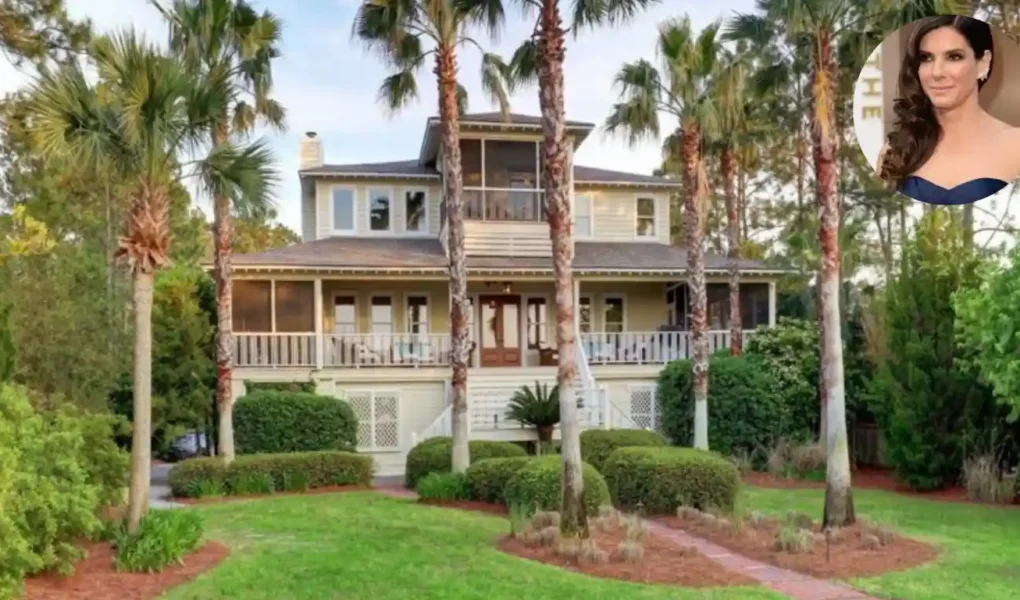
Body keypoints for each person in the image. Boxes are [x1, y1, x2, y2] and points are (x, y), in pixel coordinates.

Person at [878, 15, 1020, 205]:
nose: (937, 72)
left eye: (954, 57)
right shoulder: (896, 152)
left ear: (983, 63)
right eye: (926, 58)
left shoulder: (1015, 146)